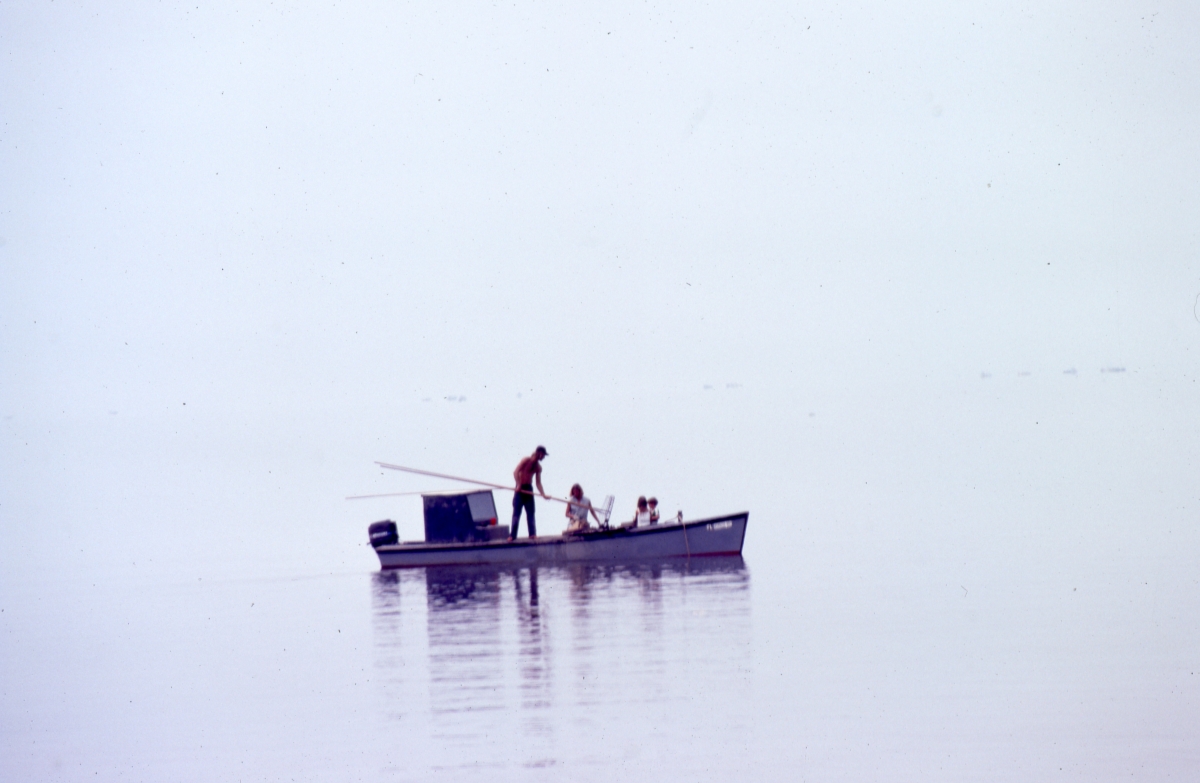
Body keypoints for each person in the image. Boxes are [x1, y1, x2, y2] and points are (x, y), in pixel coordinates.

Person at [510, 446, 548, 540]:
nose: (543, 457)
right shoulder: (526, 460)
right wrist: (518, 484)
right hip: (520, 488)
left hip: (528, 489)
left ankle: (532, 534)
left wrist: (543, 494)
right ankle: (512, 536)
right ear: (539, 453)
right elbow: (515, 472)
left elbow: (538, 483)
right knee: (516, 513)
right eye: (543, 455)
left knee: (530, 513)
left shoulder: (538, 467)